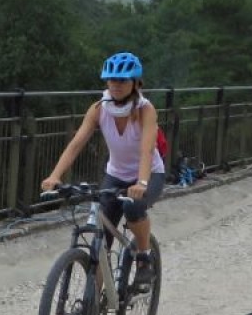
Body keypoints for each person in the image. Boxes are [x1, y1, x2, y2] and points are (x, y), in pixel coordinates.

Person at [41, 51, 165, 289]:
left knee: (133, 205)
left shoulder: (145, 110)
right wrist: (55, 175)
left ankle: (143, 257)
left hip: (149, 174)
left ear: (135, 83)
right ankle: (92, 302)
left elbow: (147, 149)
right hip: (115, 175)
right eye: (112, 80)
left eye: (122, 80)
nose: (116, 85)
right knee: (99, 242)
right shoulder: (99, 109)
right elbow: (76, 143)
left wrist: (141, 183)